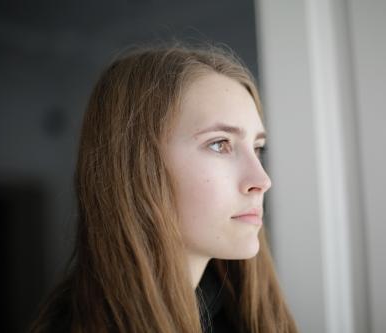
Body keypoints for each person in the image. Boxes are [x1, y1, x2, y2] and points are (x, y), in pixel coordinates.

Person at [29, 41, 298, 333]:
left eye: (258, 148)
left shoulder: (245, 315)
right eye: (220, 144)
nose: (262, 181)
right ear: (136, 165)